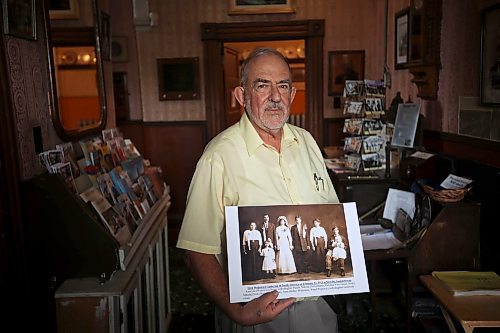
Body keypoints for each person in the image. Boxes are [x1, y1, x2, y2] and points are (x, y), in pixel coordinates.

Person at [176, 47, 340, 332]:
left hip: (318, 306)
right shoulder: (219, 156)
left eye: (283, 86)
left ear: (292, 95)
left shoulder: (308, 143)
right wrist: (235, 310)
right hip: (257, 316)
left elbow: (330, 215)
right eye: (262, 85)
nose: (275, 96)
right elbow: (196, 250)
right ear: (241, 96)